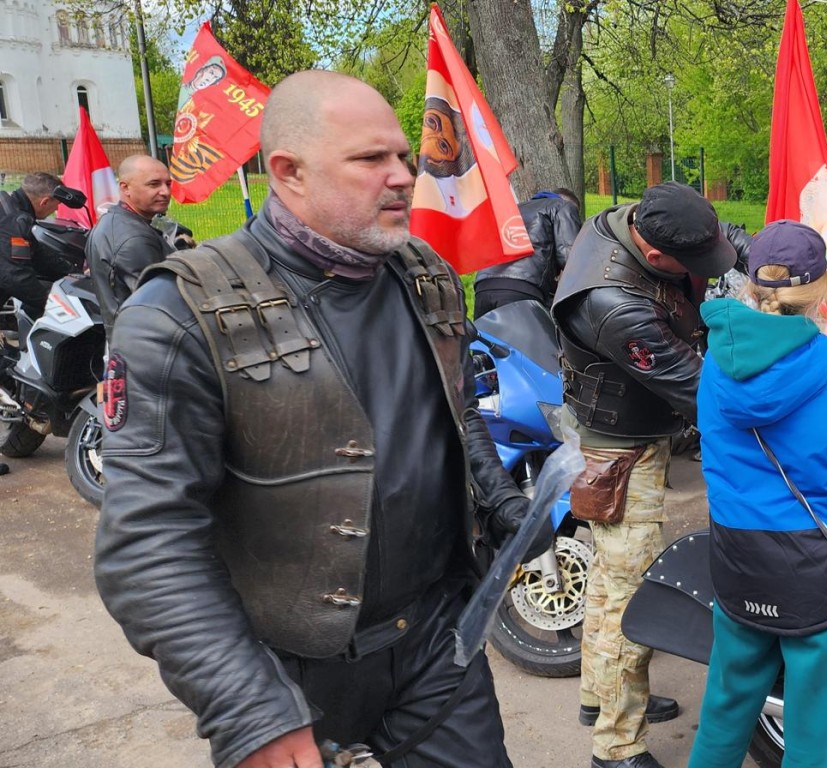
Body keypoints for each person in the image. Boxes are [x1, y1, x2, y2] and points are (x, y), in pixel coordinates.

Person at [94, 70, 551, 768]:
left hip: (436, 643)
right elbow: (146, 544)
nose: (403, 175)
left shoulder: (424, 273)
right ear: (289, 172)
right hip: (286, 669)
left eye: (403, 156)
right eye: (372, 160)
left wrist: (508, 506)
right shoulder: (177, 315)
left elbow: (456, 417)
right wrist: (248, 710)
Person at [688, 220, 827, 768]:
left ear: (748, 284)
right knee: (812, 727)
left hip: (738, 557)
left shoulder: (713, 368)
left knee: (724, 709)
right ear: (818, 293)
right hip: (817, 567)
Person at [552, 181, 744, 768]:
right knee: (629, 597)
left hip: (620, 436)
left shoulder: (627, 219)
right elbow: (701, 393)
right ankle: (616, 746)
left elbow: (722, 239)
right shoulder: (616, 304)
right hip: (621, 456)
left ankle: (599, 695)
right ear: (655, 255)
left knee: (612, 582)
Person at [85, 155, 175, 336]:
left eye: (168, 183)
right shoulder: (134, 238)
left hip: (127, 338)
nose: (165, 191)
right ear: (125, 188)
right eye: (154, 184)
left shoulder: (113, 220)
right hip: (147, 345)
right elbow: (160, 304)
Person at [473, 188, 582, 318]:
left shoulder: (514, 209)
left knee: (485, 337)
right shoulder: (563, 206)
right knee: (527, 338)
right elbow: (570, 256)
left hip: (484, 287)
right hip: (521, 290)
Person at [0, 172, 63, 319]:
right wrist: (53, 305)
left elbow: (37, 254)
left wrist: (73, 273)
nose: (56, 210)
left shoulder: (8, 207)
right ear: (45, 202)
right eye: (57, 206)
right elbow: (15, 276)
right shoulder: (14, 221)